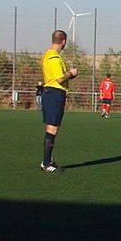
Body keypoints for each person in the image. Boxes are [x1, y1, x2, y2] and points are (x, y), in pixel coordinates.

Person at [39, 30, 78, 173]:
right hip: (54, 93)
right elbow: (60, 78)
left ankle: (47, 161)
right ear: (64, 41)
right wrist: (71, 73)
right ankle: (46, 162)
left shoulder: (47, 55)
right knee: (52, 128)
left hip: (51, 92)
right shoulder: (54, 57)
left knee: (52, 128)